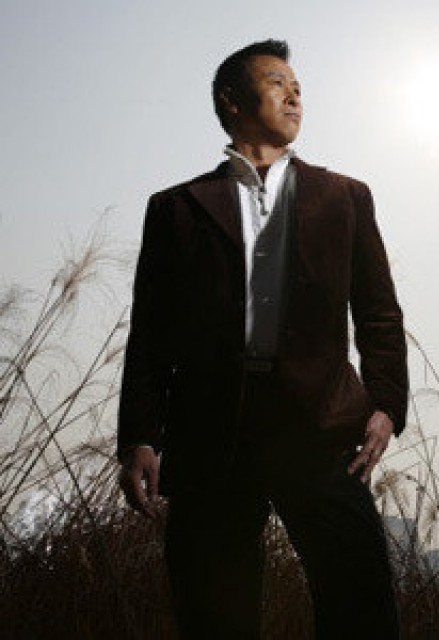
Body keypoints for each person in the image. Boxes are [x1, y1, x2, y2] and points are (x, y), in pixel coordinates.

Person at [117, 39, 408, 639]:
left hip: (323, 427)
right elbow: (151, 332)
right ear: (232, 101)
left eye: (298, 86)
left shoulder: (345, 197)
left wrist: (385, 404)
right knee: (214, 615)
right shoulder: (175, 209)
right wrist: (140, 435)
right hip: (210, 433)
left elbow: (378, 312)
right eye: (278, 82)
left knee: (360, 604)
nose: (295, 94)